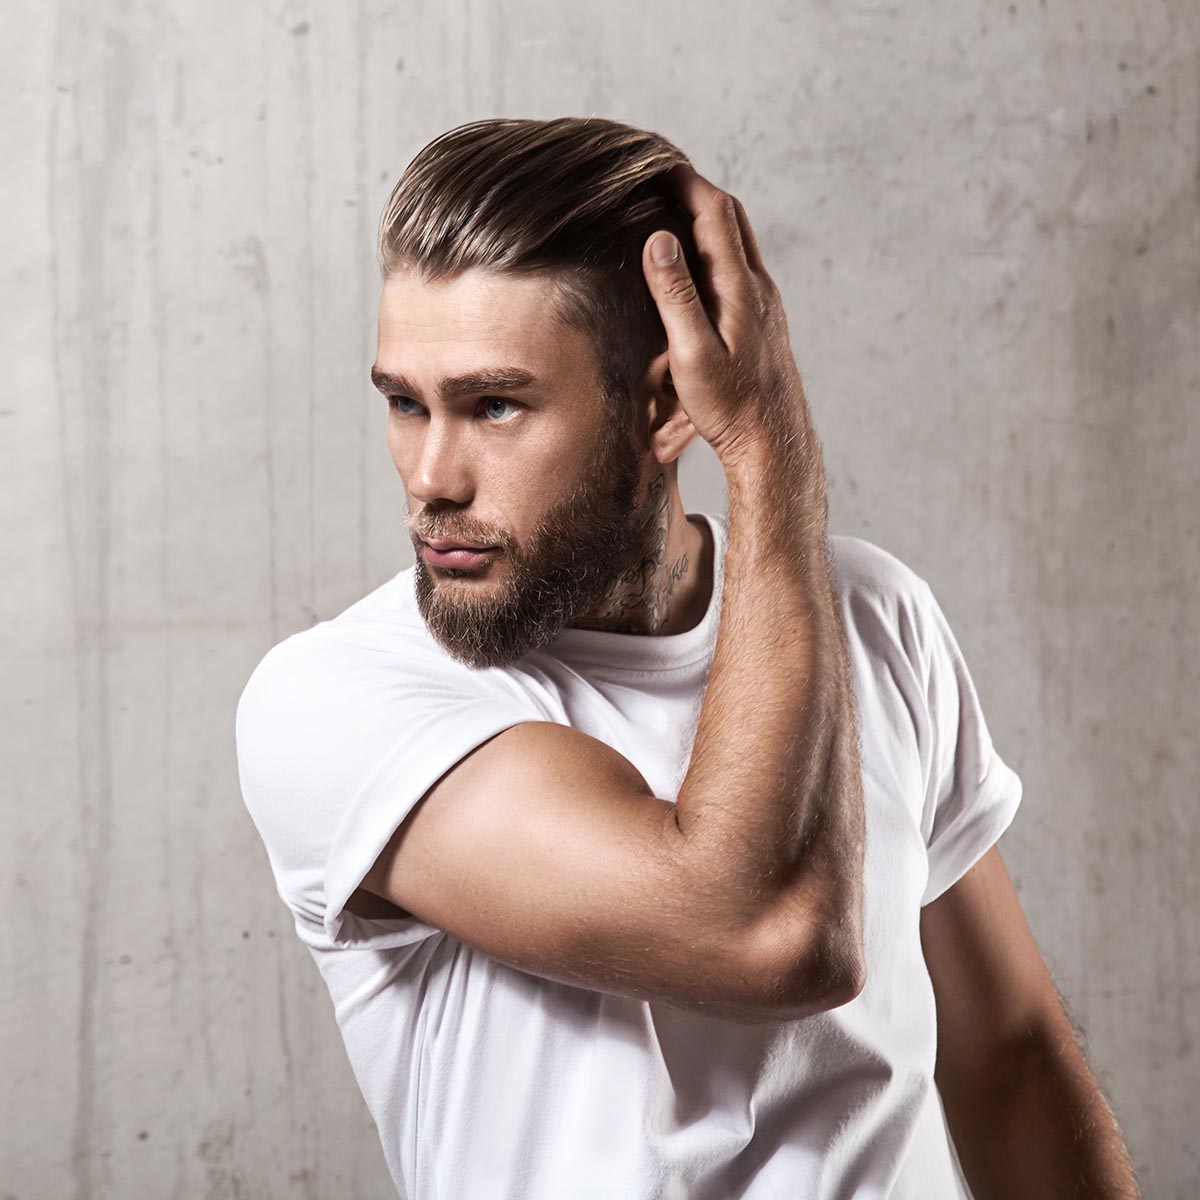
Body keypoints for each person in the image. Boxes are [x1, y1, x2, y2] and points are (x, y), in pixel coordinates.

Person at [234, 118, 1141, 1199]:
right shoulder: (339, 701)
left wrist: (771, 470)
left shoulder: (870, 611)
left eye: (495, 406)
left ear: (665, 404)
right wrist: (769, 450)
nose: (431, 475)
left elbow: (1009, 1057)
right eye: (404, 403)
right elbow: (767, 934)